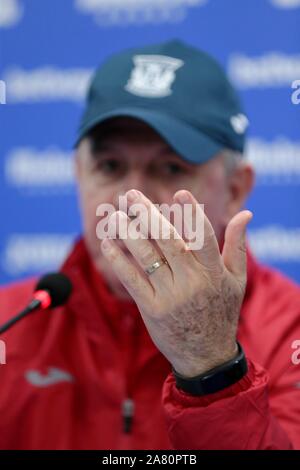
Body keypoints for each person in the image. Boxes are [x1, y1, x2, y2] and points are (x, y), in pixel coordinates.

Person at [0, 39, 299, 450]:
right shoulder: (10, 324)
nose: (131, 199)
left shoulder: (290, 330)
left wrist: (212, 366)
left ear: (235, 190)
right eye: (110, 166)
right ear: (78, 174)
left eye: (171, 167)